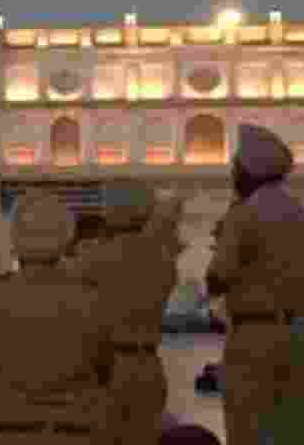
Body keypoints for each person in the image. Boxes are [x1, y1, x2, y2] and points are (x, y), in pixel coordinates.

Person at [0, 190, 113, 444]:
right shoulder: (93, 297)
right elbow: (106, 368)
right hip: (75, 432)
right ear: (67, 237)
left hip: (11, 431)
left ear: (16, 237)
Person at [205, 124, 304, 445]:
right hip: (297, 337)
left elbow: (217, 278)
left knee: (246, 430)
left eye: (236, 168)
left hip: (254, 339)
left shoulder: (243, 215)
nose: (233, 175)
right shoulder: (302, 215)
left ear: (250, 171)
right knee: (290, 430)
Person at [79, 179, 180, 445]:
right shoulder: (163, 260)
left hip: (105, 369)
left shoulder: (92, 259)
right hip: (149, 365)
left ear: (109, 210)